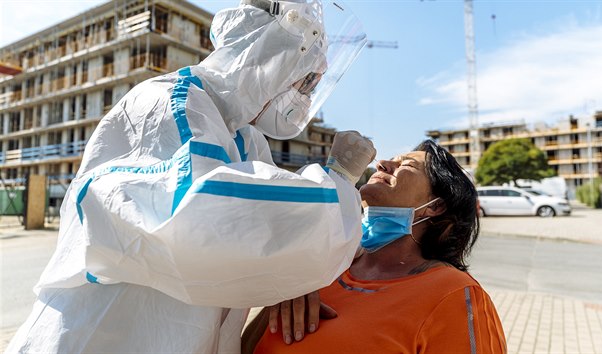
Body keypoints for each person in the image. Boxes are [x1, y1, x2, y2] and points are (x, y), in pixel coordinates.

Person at [6, 1, 374, 353]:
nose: (302, 95)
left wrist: (297, 271)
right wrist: (338, 180)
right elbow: (205, 219)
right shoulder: (170, 103)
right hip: (97, 339)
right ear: (271, 54)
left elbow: (269, 238)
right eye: (302, 79)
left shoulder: (244, 139)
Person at [248, 139, 507, 353]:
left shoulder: (454, 295)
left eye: (407, 164)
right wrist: (286, 290)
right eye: (389, 159)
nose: (382, 164)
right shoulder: (324, 265)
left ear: (436, 205)